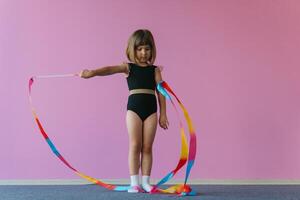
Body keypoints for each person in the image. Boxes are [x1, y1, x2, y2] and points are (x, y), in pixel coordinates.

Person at [79, 29, 169, 193]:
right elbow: (109, 69)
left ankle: (146, 182)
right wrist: (92, 73)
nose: (143, 53)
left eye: (147, 49)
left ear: (152, 50)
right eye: (139, 49)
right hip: (133, 110)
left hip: (151, 111)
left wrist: (163, 114)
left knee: (147, 147)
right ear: (132, 50)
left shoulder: (155, 70)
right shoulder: (129, 67)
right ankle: (134, 182)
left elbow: (161, 93)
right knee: (135, 145)